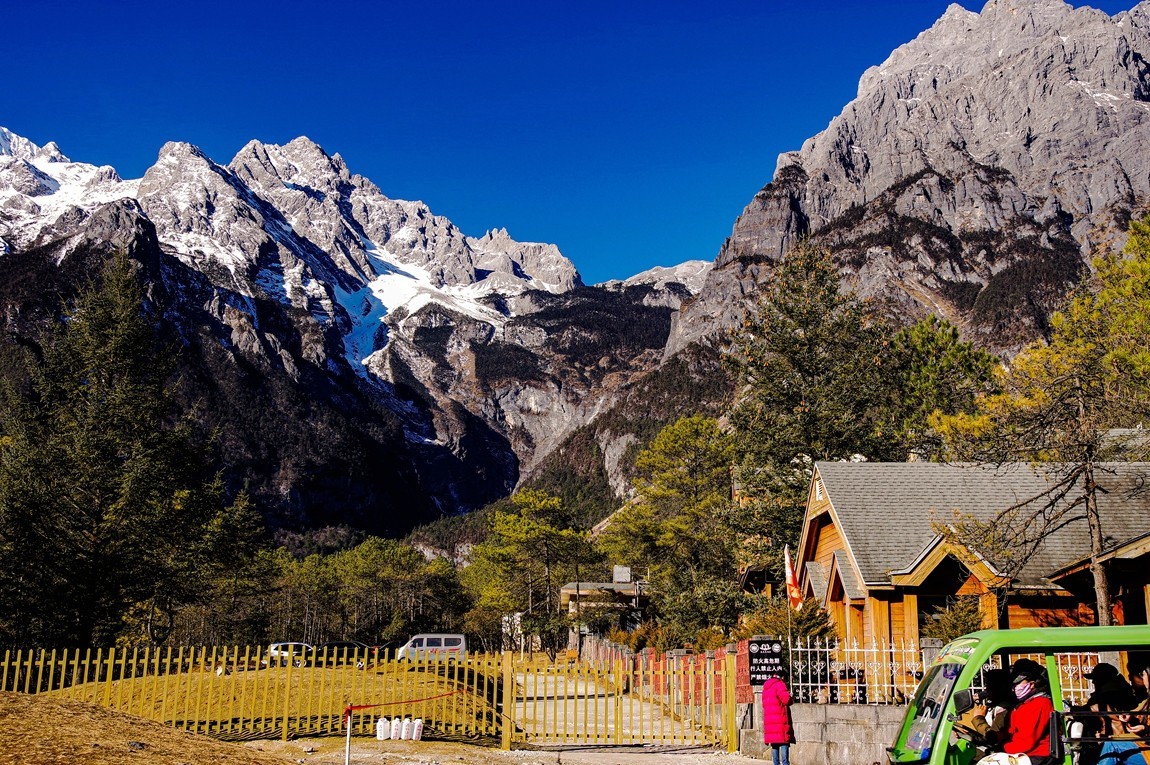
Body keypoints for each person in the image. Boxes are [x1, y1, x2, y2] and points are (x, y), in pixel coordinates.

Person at [989, 658, 1055, 765]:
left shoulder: (1040, 703)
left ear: (1032, 683)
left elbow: (1026, 742)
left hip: (1037, 755)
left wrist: (1002, 748)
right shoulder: (1023, 704)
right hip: (1024, 753)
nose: (1015, 687)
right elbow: (1012, 732)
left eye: (1018, 683)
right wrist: (997, 737)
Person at [761, 668, 794, 765]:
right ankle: (785, 763)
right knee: (784, 742)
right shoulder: (780, 684)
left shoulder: (766, 686)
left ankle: (775, 763)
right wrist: (791, 697)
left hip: (770, 721)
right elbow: (786, 700)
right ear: (782, 677)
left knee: (774, 744)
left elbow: (764, 704)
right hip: (780, 719)